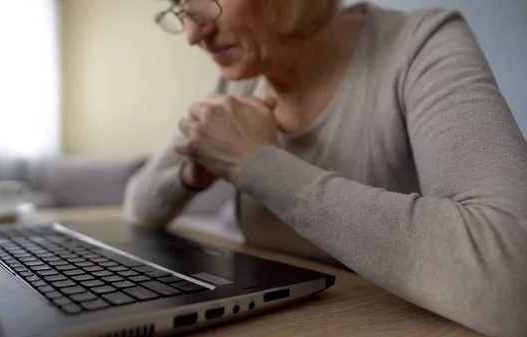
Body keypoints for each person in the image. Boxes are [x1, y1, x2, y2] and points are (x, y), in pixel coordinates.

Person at [124, 1, 527, 335]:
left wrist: (255, 164)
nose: (193, 35)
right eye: (181, 9)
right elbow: (138, 204)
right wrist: (195, 171)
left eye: (205, 4)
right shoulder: (241, 80)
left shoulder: (419, 45)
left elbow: (514, 278)